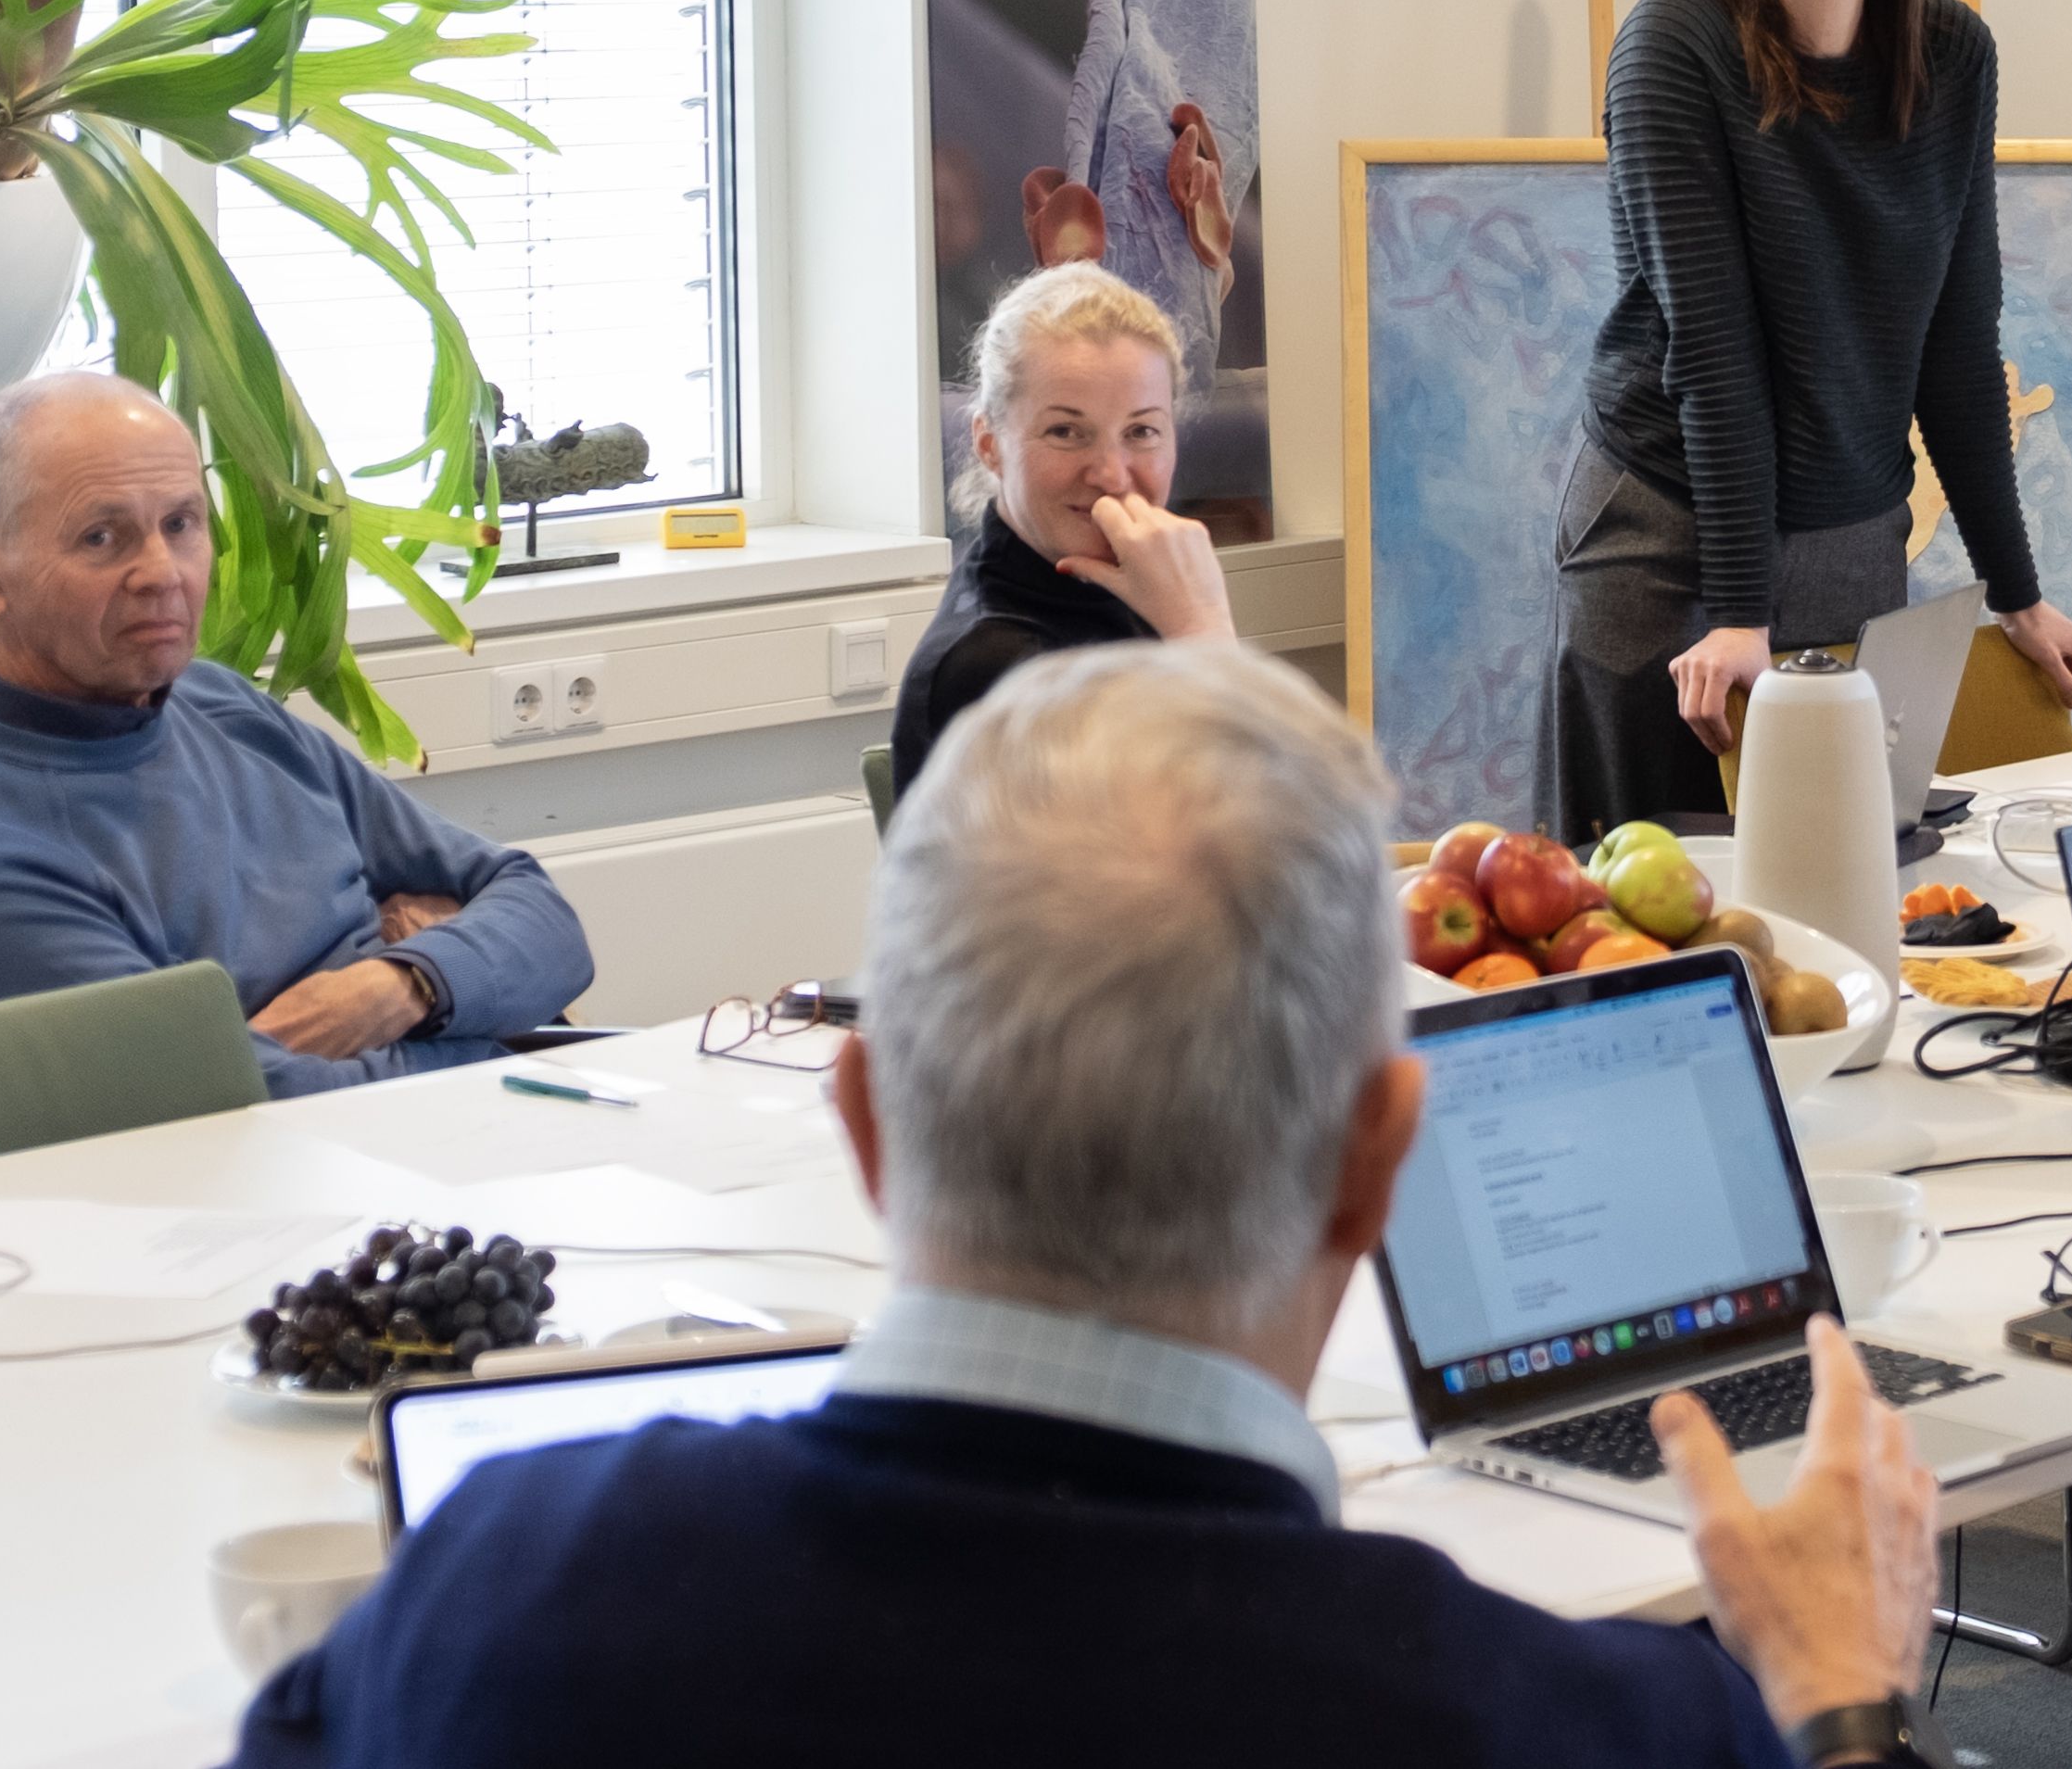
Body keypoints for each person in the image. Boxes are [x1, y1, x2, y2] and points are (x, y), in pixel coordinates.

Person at [237, 645, 1947, 1768]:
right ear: (1381, 1158)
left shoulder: (498, 1591)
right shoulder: (1588, 1725)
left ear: (866, 1120)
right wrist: (1839, 1704)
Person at [1545, 0, 2072, 837]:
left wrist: (2016, 592)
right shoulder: (1673, 45)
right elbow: (1714, 353)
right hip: (1673, 525)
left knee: (1843, 866)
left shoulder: (1954, 57)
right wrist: (1740, 611)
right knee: (1652, 882)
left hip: (1850, 526)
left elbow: (1956, 344)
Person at [0, 373, 591, 1098]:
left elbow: (544, 918)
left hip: (487, 1115)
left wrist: (402, 986)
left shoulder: (217, 702)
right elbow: (263, 1113)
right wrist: (474, 994)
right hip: (362, 1152)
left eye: (180, 524)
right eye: (101, 537)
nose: (161, 573)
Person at [890, 259, 1234, 797]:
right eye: (1066, 432)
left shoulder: (1134, 590)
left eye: (1141, 431)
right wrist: (1204, 634)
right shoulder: (996, 665)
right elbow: (1245, 828)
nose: (1112, 474)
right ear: (989, 445)